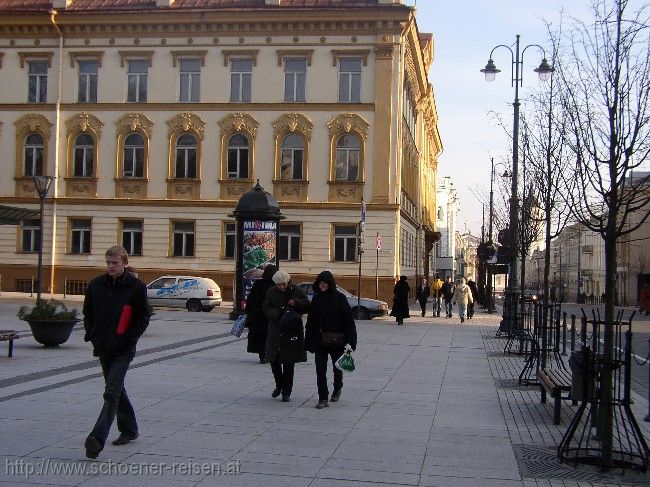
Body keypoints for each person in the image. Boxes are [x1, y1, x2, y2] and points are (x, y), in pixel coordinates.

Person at [82, 245, 150, 459]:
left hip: (123, 349)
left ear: (124, 263)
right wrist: (92, 333)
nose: (111, 266)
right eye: (108, 263)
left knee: (111, 391)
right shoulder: (96, 285)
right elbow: (88, 313)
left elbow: (143, 317)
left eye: (115, 263)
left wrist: (129, 338)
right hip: (103, 346)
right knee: (116, 389)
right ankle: (130, 429)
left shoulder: (136, 287)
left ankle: (97, 438)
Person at [305, 271, 357, 409]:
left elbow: (349, 321)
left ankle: (337, 388)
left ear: (330, 284)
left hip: (337, 340)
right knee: (320, 370)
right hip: (320, 339)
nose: (322, 286)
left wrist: (351, 341)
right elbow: (311, 321)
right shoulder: (316, 298)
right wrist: (308, 340)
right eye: (320, 283)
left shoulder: (340, 298)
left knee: (337, 367)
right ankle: (323, 398)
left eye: (325, 283)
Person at [263, 270, 309, 402]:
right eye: (279, 285)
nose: (281, 287)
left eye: (283, 284)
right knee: (274, 360)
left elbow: (306, 305)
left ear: (288, 281)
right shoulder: (271, 292)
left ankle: (286, 392)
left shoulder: (296, 290)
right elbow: (266, 307)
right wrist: (277, 314)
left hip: (291, 330)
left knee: (289, 362)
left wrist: (296, 303)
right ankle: (279, 385)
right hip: (276, 329)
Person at [245, 264, 277, 363]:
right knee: (270, 336)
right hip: (270, 315)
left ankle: (262, 356)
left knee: (260, 336)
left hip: (258, 315)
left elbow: (250, 300)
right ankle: (270, 355)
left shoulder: (258, 284)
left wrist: (248, 312)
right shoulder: (276, 285)